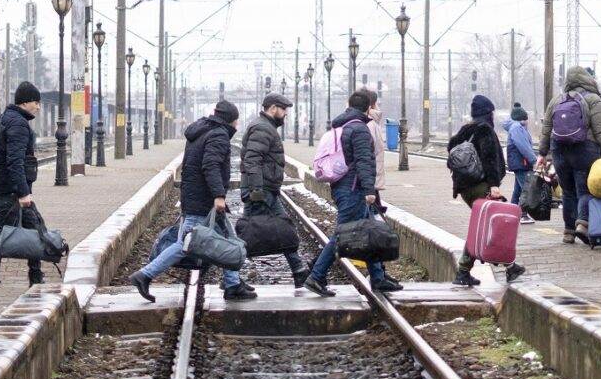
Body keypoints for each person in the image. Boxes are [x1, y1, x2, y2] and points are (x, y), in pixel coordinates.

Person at [130, 101, 255, 302]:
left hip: (194, 197)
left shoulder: (202, 131)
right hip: (203, 201)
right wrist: (218, 195)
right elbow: (210, 166)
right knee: (186, 244)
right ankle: (145, 275)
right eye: (236, 120)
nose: (238, 124)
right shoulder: (219, 135)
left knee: (229, 240)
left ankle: (232, 283)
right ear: (230, 119)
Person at [304, 92, 402, 296]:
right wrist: (369, 190)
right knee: (341, 234)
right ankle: (316, 276)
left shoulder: (342, 126)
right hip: (353, 188)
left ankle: (378, 278)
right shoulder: (359, 129)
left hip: (344, 185)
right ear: (368, 108)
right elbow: (364, 161)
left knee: (369, 230)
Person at [447, 95, 525, 286]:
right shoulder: (485, 130)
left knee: (482, 224)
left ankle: (467, 271)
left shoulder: (465, 130)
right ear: (488, 113)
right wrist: (494, 185)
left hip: (465, 188)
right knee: (494, 225)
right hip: (481, 185)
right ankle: (506, 267)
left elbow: (451, 149)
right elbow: (490, 159)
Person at [536, 67, 601, 244]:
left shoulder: (556, 100)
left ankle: (568, 231)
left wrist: (542, 154)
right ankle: (583, 224)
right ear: (587, 79)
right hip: (585, 148)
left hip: (559, 150)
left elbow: (546, 130)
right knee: (586, 189)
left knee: (567, 192)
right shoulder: (593, 99)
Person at [240, 92, 310, 288]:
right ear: (273, 108)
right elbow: (252, 159)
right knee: (249, 234)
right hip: (260, 190)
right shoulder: (262, 128)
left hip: (265, 189)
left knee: (283, 228)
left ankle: (299, 271)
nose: (286, 113)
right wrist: (256, 190)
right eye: (283, 109)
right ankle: (230, 277)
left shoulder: (265, 127)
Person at [0, 82, 42, 288]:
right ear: (26, 102)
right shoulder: (18, 124)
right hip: (13, 190)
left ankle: (36, 276)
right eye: (36, 102)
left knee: (32, 227)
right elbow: (15, 161)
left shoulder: (2, 119)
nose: (38, 107)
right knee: (1, 233)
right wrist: (23, 192)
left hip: (5, 186)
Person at [503, 102, 537, 224]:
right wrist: (534, 159)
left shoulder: (517, 127)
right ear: (523, 119)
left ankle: (511, 213)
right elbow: (523, 147)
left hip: (520, 162)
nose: (528, 121)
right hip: (520, 162)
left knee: (518, 190)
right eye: (526, 118)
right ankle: (522, 214)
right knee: (526, 188)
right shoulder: (517, 128)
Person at [361, 89, 387, 213]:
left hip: (370, 173)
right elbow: (368, 150)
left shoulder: (370, 121)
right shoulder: (369, 122)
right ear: (372, 105)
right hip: (369, 173)